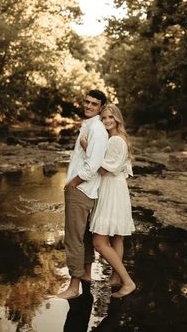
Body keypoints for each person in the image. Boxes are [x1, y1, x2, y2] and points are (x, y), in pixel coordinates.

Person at [80, 104, 136, 298]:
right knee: (116, 237)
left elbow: (103, 169)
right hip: (117, 187)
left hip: (111, 189)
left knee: (99, 241)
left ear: (117, 118)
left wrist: (88, 150)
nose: (106, 121)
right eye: (103, 118)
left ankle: (128, 282)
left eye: (110, 117)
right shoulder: (119, 139)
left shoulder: (115, 141)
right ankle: (115, 278)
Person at [58, 89, 109, 300]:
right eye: (86, 102)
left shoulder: (97, 130)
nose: (88, 106)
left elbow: (92, 166)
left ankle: (73, 286)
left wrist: (72, 184)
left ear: (101, 107)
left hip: (81, 190)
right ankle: (87, 275)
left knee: (73, 238)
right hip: (86, 190)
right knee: (85, 237)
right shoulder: (90, 126)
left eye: (93, 104)